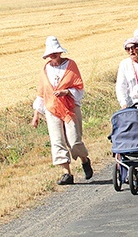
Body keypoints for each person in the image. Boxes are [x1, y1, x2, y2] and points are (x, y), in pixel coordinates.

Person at [32, 36, 93, 185]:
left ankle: (85, 160)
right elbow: (42, 93)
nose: (54, 55)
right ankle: (67, 173)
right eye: (51, 53)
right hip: (51, 109)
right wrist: (36, 115)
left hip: (70, 107)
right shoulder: (45, 69)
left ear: (60, 52)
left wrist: (67, 92)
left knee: (74, 139)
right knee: (57, 141)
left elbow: (79, 87)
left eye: (56, 52)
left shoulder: (71, 65)